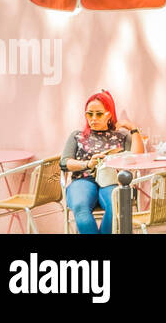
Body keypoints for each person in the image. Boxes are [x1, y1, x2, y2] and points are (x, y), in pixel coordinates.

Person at [61, 90, 144, 234]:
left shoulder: (121, 136)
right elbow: (64, 163)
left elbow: (137, 158)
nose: (93, 118)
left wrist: (133, 129)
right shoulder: (77, 136)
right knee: (80, 207)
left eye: (99, 114)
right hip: (83, 180)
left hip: (112, 181)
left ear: (109, 114)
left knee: (117, 206)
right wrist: (87, 164)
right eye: (89, 114)